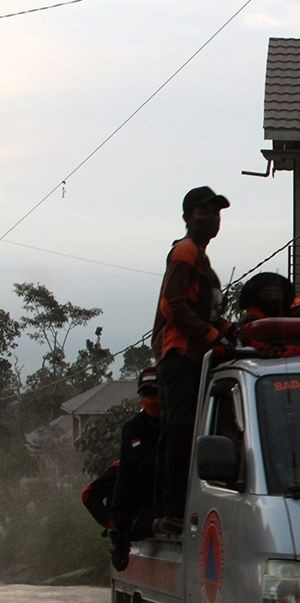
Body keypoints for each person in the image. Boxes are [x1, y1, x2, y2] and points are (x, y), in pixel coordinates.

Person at [150, 186, 233, 535]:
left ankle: (171, 508)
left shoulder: (201, 259)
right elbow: (173, 305)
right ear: (187, 217)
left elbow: (204, 311)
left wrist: (229, 330)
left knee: (183, 431)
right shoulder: (185, 251)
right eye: (203, 212)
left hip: (192, 354)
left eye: (216, 212)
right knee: (182, 431)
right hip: (181, 353)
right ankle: (171, 512)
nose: (211, 218)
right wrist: (212, 336)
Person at [109, 366, 164, 568]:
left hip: (158, 503)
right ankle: (121, 539)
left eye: (155, 393)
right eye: (146, 394)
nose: (151, 400)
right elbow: (147, 468)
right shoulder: (133, 429)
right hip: (133, 510)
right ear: (140, 397)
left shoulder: (172, 423)